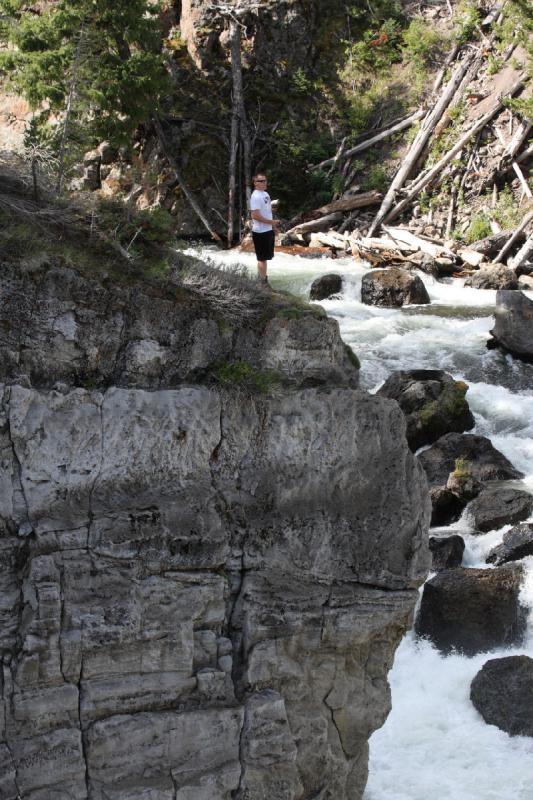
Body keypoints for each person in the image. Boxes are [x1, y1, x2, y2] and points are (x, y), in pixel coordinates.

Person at [249, 172, 279, 284]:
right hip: (260, 231)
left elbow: (267, 212)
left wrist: (273, 227)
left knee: (265, 258)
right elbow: (255, 215)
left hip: (268, 230)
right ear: (255, 183)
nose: (264, 183)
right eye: (261, 181)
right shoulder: (255, 196)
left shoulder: (265, 194)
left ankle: (262, 279)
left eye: (265, 180)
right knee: (261, 258)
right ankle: (262, 282)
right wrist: (271, 222)